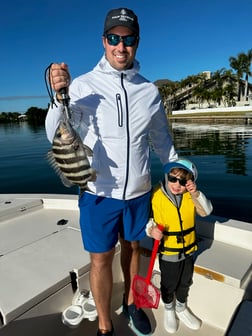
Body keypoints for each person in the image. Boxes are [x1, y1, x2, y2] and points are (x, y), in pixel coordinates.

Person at [45, 7, 177, 336]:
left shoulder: (149, 91)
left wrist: (179, 170)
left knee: (133, 248)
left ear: (137, 42)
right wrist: (58, 94)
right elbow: (54, 132)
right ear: (104, 41)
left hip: (139, 193)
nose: (121, 46)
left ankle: (132, 303)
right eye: (114, 38)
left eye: (128, 38)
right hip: (97, 193)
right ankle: (105, 325)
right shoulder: (83, 85)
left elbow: (162, 140)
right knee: (100, 259)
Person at [146, 158, 213, 334]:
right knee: (168, 283)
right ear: (166, 177)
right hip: (168, 251)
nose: (177, 185)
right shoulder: (155, 195)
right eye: (172, 179)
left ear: (189, 183)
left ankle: (181, 308)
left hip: (189, 250)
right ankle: (169, 309)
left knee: (185, 281)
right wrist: (151, 230)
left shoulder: (191, 196)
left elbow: (206, 211)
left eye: (183, 182)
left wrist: (196, 194)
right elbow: (147, 220)